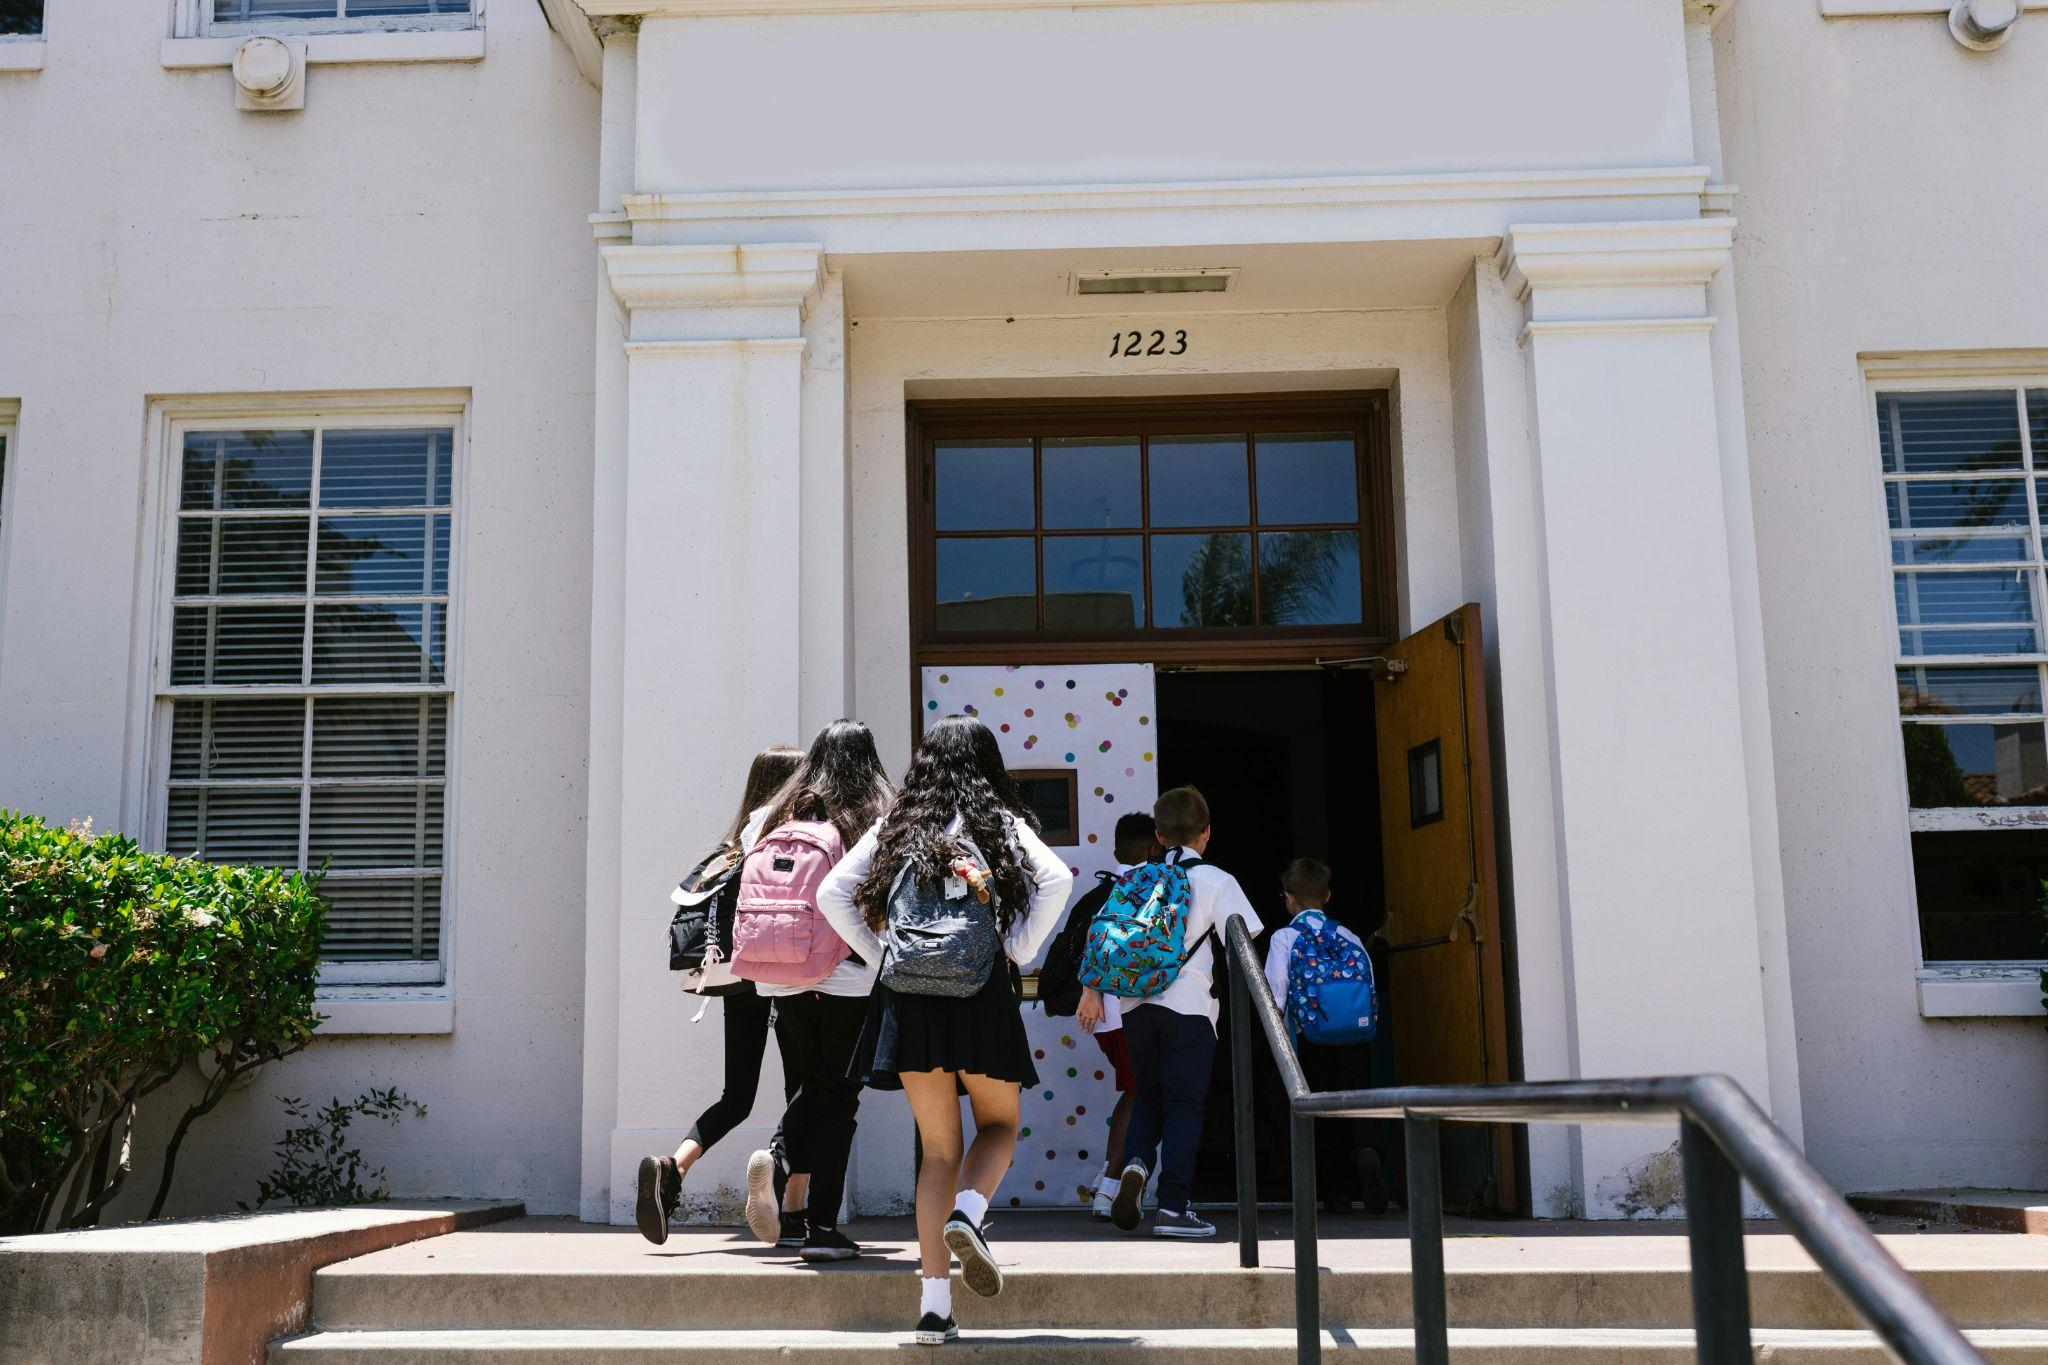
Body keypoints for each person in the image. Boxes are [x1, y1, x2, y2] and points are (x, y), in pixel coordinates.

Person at [817, 715, 1074, 1346]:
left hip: (909, 999)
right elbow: (1058, 879)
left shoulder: (898, 826)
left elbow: (832, 893)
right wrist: (1016, 947)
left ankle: (934, 1309)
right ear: (987, 765)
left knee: (938, 1152)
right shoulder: (1001, 825)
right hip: (981, 992)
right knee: (1001, 1126)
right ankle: (970, 1213)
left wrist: (884, 953)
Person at [635, 745, 803, 1246]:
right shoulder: (792, 838)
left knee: (737, 1096)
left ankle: (674, 1167)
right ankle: (791, 1205)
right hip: (788, 973)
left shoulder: (735, 842)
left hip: (737, 975)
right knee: (806, 1089)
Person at [1079, 784, 1261, 1240]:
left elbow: (1103, 937)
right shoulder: (1218, 881)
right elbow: (1246, 943)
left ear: (1158, 836)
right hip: (1191, 1009)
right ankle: (1175, 1208)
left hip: (1136, 1007)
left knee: (1149, 1094)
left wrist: (1095, 990)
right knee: (1185, 1107)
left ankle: (1136, 1164)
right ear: (1206, 833)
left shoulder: (1137, 879)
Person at [742, 721, 895, 1264]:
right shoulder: (874, 816)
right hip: (849, 975)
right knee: (839, 1099)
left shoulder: (770, 816)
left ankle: (780, 1164)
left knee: (811, 1083)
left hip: (781, 974)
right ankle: (822, 1227)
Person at [1263, 857, 1389, 1216]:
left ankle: (1337, 1195)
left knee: (1320, 1116)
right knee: (1358, 1106)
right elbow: (1369, 987)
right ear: (1328, 896)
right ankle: (1369, 1150)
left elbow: (1275, 993)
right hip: (1355, 1038)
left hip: (1311, 1040)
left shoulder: (1285, 937)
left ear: (1288, 898)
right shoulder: (1348, 935)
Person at [1069, 811, 1162, 1219]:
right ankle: (1110, 1185)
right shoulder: (1146, 886)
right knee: (1140, 1094)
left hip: (1107, 1018)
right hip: (1128, 1012)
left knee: (1134, 1091)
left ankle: (1106, 1182)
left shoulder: (1107, 888)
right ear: (1154, 847)